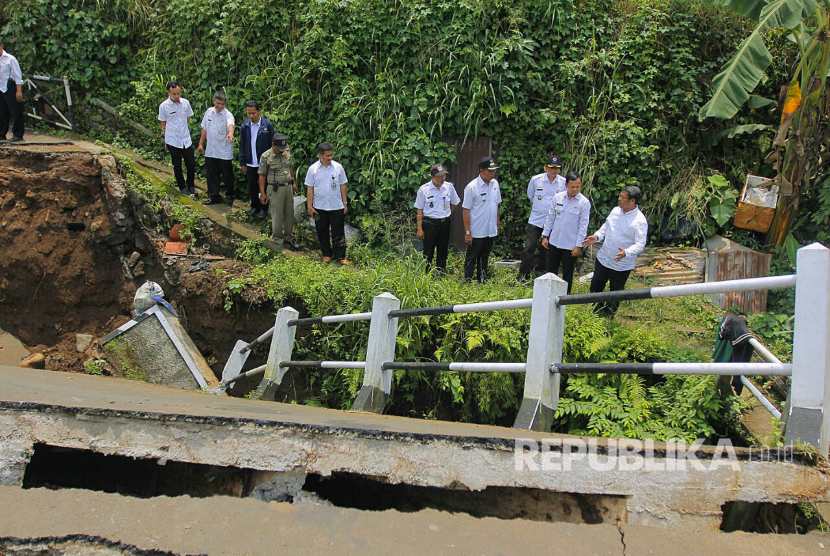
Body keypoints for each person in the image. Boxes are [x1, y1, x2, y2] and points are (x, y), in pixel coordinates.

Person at [583, 185, 648, 316]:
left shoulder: (639, 221)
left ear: (632, 201)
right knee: (596, 286)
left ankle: (608, 318)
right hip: (604, 258)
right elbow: (605, 227)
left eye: (622, 197)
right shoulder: (615, 211)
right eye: (620, 196)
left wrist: (626, 252)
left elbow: (640, 244)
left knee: (615, 292)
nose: (619, 199)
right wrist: (596, 236)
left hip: (621, 265)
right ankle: (594, 313)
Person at [540, 172, 591, 293]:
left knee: (567, 273)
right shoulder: (557, 198)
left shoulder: (584, 203)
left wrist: (579, 246)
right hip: (554, 242)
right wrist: (545, 236)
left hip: (570, 245)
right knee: (551, 271)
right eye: (572, 186)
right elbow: (550, 218)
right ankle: (548, 294)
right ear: (566, 185)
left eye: (578, 186)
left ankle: (565, 298)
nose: (575, 189)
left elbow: (583, 226)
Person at [518, 155, 566, 280]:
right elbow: (530, 196)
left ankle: (541, 275)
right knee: (529, 247)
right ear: (546, 167)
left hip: (553, 223)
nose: (554, 170)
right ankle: (523, 275)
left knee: (547, 250)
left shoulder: (563, 182)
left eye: (556, 168)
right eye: (551, 167)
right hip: (536, 220)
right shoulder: (536, 180)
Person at [305, 142, 351, 265]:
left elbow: (343, 185)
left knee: (338, 232)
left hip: (336, 205)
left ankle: (340, 256)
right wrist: (310, 206)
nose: (330, 158)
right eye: (327, 156)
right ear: (320, 155)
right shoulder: (313, 169)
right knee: (322, 231)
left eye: (331, 155)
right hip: (320, 206)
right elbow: (310, 188)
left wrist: (345, 203)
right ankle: (326, 254)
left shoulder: (338, 167)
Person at [415, 164, 460, 273]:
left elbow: (455, 203)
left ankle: (441, 273)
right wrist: (419, 229)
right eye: (440, 176)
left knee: (443, 250)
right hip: (430, 223)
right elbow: (419, 210)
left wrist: (447, 214)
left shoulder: (449, 187)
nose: (443, 179)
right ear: (433, 176)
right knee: (428, 251)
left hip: (445, 223)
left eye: (444, 176)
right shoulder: (424, 189)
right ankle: (426, 275)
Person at [462, 157, 502, 282]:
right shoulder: (472, 187)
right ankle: (467, 280)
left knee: (485, 256)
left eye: (494, 171)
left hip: (490, 229)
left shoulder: (495, 184)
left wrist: (497, 222)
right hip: (477, 230)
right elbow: (466, 210)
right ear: (481, 170)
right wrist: (468, 232)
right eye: (490, 171)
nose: (493, 173)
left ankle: (482, 279)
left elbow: (496, 204)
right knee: (472, 257)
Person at [258, 134, 298, 253]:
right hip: (275, 188)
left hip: (288, 187)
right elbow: (261, 175)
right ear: (273, 145)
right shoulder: (266, 156)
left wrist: (294, 182)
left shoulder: (286, 150)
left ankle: (289, 238)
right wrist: (263, 193)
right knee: (277, 215)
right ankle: (277, 239)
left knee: (290, 213)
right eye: (279, 148)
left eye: (283, 148)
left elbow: (290, 166)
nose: (282, 151)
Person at [196, 91, 235, 205]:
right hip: (211, 150)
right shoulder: (209, 112)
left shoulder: (228, 115)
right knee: (212, 175)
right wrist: (201, 144)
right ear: (214, 101)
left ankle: (230, 196)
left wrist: (230, 134)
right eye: (218, 103)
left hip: (224, 151)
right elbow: (204, 129)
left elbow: (230, 125)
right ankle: (214, 196)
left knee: (227, 176)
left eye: (222, 104)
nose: (220, 106)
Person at [158, 81, 196, 196]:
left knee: (191, 164)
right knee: (177, 165)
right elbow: (163, 123)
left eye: (178, 93)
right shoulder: (164, 106)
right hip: (173, 140)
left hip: (186, 139)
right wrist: (165, 138)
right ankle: (182, 187)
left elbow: (189, 118)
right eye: (174, 94)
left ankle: (191, 185)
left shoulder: (186, 103)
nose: (177, 96)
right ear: (169, 93)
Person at [238, 100, 275, 218]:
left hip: (263, 162)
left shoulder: (267, 125)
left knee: (263, 186)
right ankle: (254, 206)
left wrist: (271, 161)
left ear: (259, 112)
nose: (251, 116)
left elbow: (272, 145)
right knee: (252, 186)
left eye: (253, 113)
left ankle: (264, 208)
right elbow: (242, 145)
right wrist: (243, 162)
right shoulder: (245, 126)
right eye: (249, 113)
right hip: (250, 162)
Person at [0, 39, 24, 142]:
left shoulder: (10, 59)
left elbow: (17, 76)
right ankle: (1, 134)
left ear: (1, 45)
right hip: (0, 87)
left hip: (11, 86)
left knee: (16, 111)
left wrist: (19, 91)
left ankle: (18, 135)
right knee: (2, 112)